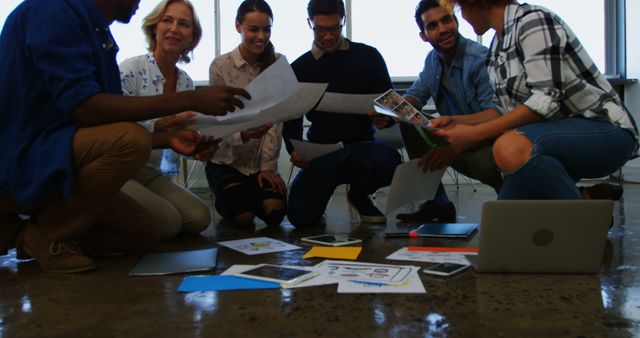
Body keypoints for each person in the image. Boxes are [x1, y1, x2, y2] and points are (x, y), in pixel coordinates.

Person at [0, 0, 249, 273]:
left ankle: (22, 231)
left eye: (184, 24)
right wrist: (190, 100)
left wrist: (169, 139)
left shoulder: (98, 33)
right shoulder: (53, 11)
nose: (140, 2)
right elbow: (87, 109)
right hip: (27, 154)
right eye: (167, 20)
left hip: (71, 153)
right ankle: (49, 233)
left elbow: (107, 124)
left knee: (145, 233)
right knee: (132, 142)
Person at [434, 0, 638, 200]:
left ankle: (582, 221)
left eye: (459, 9)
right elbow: (502, 111)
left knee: (509, 148)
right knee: (506, 220)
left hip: (606, 130)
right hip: (555, 138)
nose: (463, 16)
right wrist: (458, 121)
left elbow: (545, 99)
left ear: (474, 3)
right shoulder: (496, 47)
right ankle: (582, 202)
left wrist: (474, 134)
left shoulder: (532, 21)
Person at [372, 0, 502, 223]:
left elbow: (496, 117)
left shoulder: (480, 59)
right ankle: (437, 204)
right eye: (432, 26)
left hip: (489, 140)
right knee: (411, 123)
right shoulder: (433, 60)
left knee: (487, 164)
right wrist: (391, 113)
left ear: (456, 21)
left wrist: (453, 149)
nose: (442, 29)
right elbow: (415, 96)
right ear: (424, 36)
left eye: (446, 20)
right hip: (454, 137)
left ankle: (513, 196)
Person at [282, 0, 402, 226]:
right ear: (310, 23)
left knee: (390, 160)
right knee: (301, 218)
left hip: (362, 150)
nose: (328, 37)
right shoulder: (300, 68)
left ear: (343, 20)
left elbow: (391, 108)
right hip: (321, 154)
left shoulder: (368, 57)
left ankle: (358, 193)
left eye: (335, 28)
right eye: (321, 29)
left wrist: (384, 119)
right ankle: (321, 195)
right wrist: (295, 149)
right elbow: (291, 122)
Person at [119, 0, 211, 240]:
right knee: (169, 223)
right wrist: (161, 125)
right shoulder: (130, 69)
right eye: (167, 20)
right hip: (119, 169)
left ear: (192, 37)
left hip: (150, 172)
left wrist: (199, 148)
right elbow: (115, 129)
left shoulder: (187, 84)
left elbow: (179, 142)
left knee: (200, 217)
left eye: (183, 24)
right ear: (154, 28)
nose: (174, 28)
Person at [205, 0, 287, 228]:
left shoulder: (277, 63)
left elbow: (276, 120)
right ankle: (231, 202)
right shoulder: (220, 66)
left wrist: (268, 168)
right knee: (243, 217)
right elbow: (218, 122)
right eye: (253, 29)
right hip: (226, 161)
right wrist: (243, 134)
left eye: (267, 29)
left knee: (274, 215)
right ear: (238, 26)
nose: (261, 36)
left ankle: (244, 197)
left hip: (258, 163)